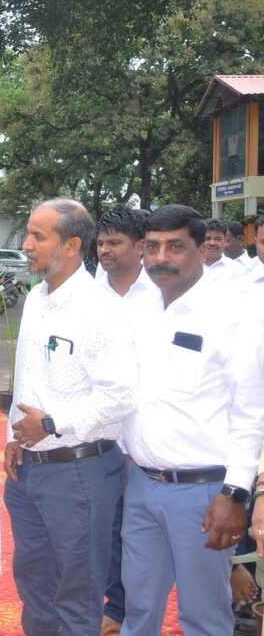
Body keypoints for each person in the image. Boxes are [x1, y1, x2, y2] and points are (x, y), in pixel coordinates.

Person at [120, 204, 264, 636]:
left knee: (203, 617)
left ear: (203, 250)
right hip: (142, 485)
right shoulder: (137, 309)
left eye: (176, 246)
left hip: (204, 494)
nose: (161, 257)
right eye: (152, 247)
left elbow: (250, 411)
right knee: (138, 608)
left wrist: (235, 494)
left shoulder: (234, 314)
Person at [3, 198, 139, 636]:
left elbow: (121, 395)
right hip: (29, 472)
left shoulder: (101, 309)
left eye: (38, 237)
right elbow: (26, 377)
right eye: (27, 233)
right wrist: (12, 437)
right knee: (34, 586)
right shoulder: (37, 300)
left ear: (72, 245)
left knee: (77, 595)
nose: (26, 245)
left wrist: (50, 423)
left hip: (79, 472)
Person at [92, 207, 158, 635]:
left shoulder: (160, 295)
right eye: (101, 242)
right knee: (101, 529)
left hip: (141, 437)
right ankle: (109, 605)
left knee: (130, 532)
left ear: (139, 247)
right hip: (95, 433)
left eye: (115, 242)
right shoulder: (88, 292)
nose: (105, 250)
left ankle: (119, 610)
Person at [202, 218, 246, 282]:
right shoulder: (190, 267)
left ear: (225, 241)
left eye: (218, 239)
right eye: (208, 239)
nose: (212, 243)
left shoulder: (237, 269)